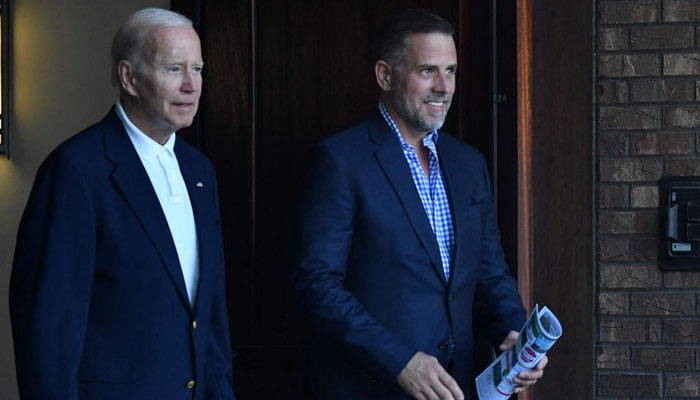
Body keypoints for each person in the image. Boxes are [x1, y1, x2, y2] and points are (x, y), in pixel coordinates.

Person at [292, 9, 546, 400]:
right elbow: (317, 285)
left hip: (456, 388)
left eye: (452, 71)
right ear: (385, 75)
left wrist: (514, 333)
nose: (444, 87)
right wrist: (399, 361)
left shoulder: (468, 164)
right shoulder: (341, 160)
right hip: (369, 388)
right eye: (428, 71)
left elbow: (490, 273)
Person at [9, 8, 235, 400]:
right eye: (174, 69)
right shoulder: (76, 169)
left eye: (197, 69)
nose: (192, 86)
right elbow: (49, 325)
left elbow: (209, 312)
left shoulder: (200, 171)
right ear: (129, 77)